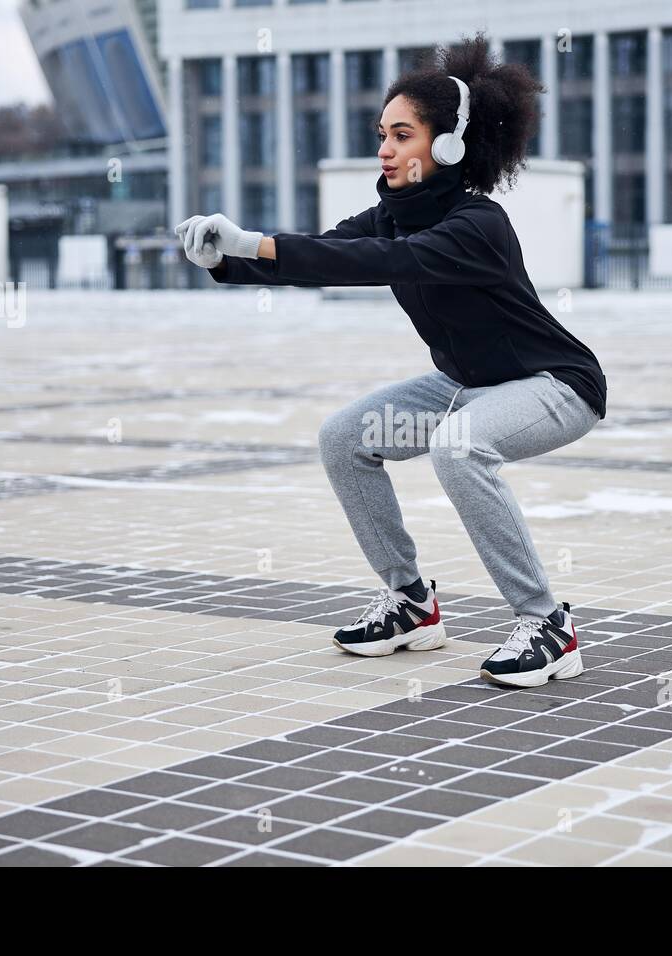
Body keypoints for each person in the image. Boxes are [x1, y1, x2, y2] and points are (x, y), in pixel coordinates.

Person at [174, 32, 607, 688]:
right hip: (466, 384)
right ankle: (410, 604)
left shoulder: (476, 226)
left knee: (461, 449)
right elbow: (324, 250)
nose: (384, 148)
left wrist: (254, 242)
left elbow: (375, 264)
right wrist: (226, 261)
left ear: (448, 144)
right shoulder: (392, 215)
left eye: (401, 134)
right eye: (382, 132)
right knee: (345, 437)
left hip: (554, 384)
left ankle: (547, 624)